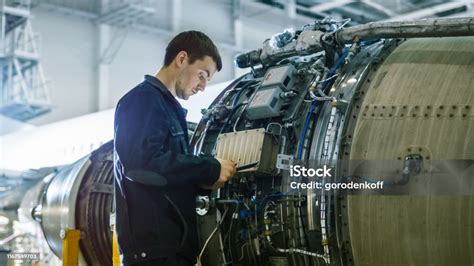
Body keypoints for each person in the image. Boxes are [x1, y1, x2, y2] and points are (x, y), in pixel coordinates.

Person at [113, 31, 236, 266]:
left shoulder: (167, 108)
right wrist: (209, 169)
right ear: (181, 59)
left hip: (172, 250)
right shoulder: (142, 100)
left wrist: (203, 183)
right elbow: (141, 164)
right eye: (202, 75)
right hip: (155, 253)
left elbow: (167, 175)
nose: (202, 86)